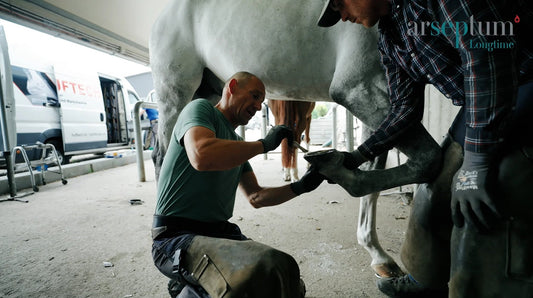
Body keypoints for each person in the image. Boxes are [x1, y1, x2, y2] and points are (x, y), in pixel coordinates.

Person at [317, 0, 533, 297]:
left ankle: (473, 288)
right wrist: (357, 156)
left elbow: (486, 55)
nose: (341, 15)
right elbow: (404, 109)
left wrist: (476, 163)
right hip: (480, 99)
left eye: (340, 4)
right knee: (433, 192)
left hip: (524, 79)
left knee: (477, 200)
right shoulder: (391, 37)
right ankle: (425, 278)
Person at [151, 71, 325, 298]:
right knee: (258, 272)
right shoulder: (201, 109)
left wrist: (303, 185)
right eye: (254, 96)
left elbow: (256, 197)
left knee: (288, 278)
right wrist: (263, 144)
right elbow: (202, 156)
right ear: (231, 87)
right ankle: (193, 287)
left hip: (220, 234)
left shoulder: (236, 145)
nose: (258, 106)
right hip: (175, 237)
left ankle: (193, 284)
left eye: (261, 101)